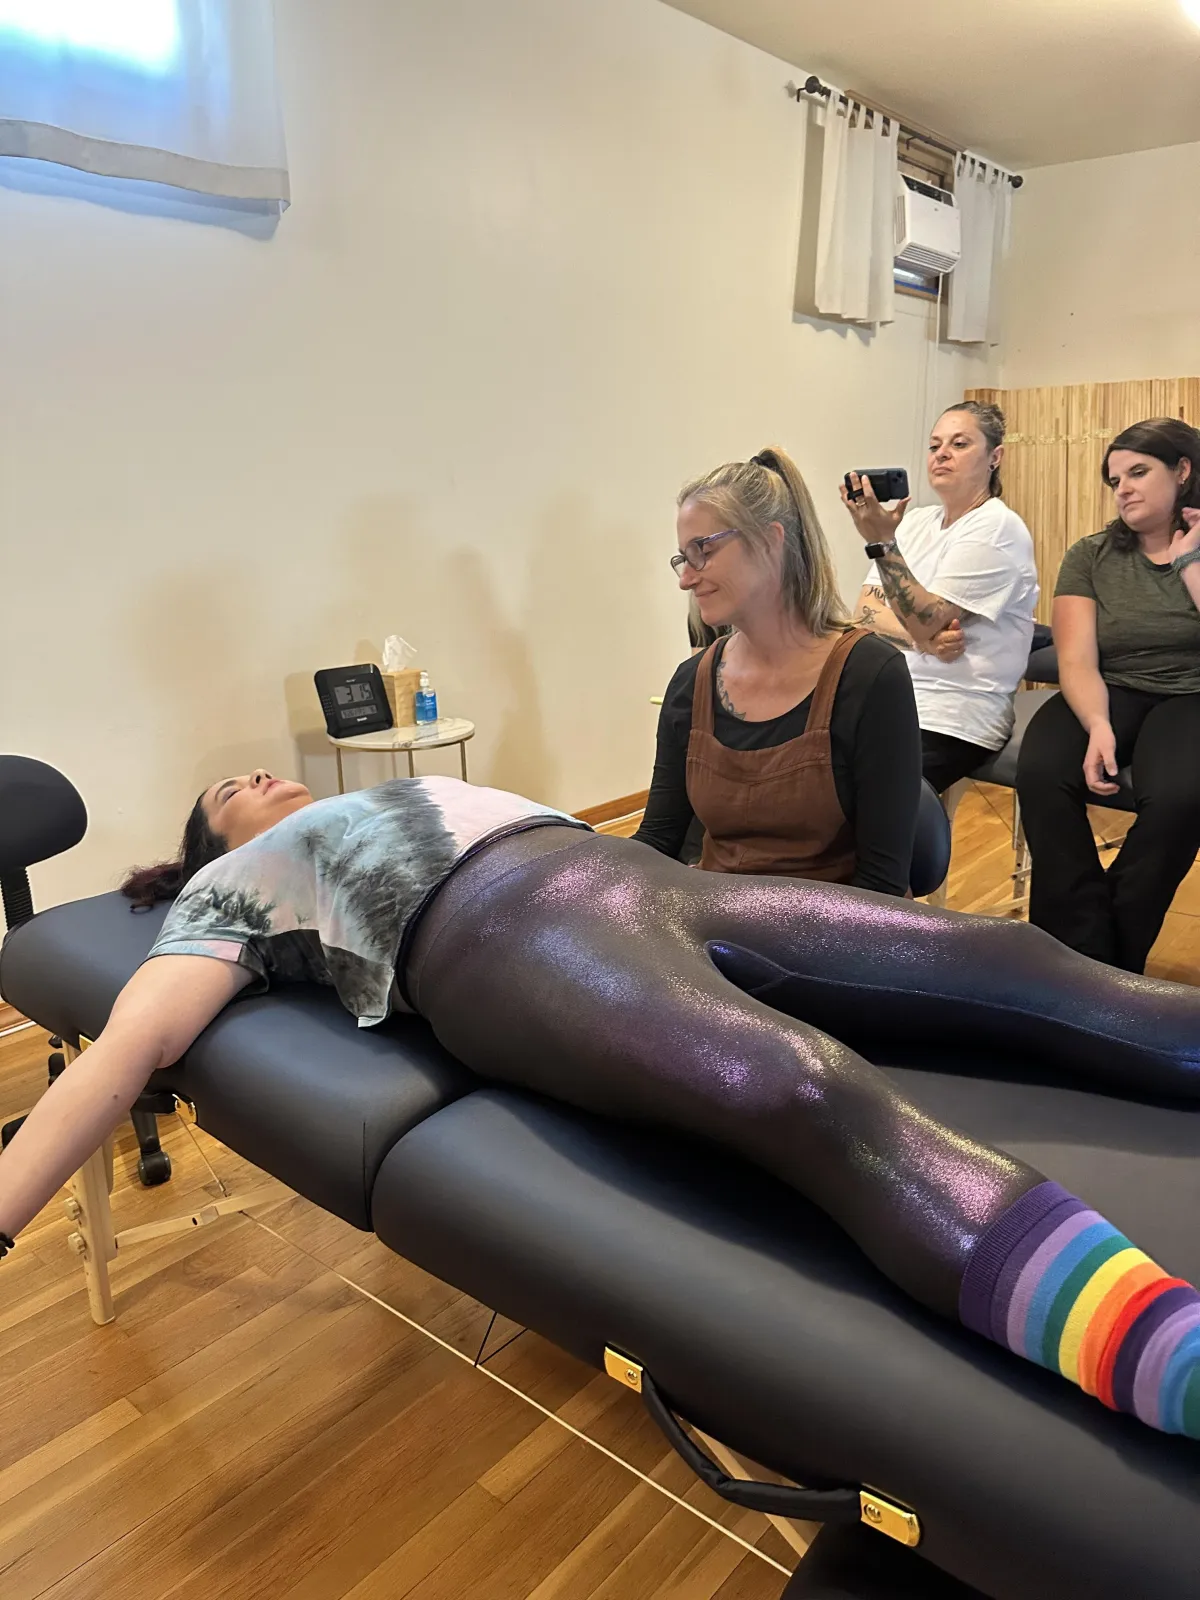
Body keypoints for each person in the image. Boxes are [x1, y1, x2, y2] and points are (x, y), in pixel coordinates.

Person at [2, 766, 1200, 1441]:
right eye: (227, 786)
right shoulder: (229, 888)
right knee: (798, 1083)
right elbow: (121, 1055)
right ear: (205, 840)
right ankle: (1172, 1357)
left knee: (1009, 958)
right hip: (507, 943)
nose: (256, 775)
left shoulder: (403, 784)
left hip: (656, 880)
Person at [634, 447, 922, 897]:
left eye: (702, 551)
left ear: (770, 541)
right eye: (682, 558)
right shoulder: (692, 683)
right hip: (718, 924)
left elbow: (881, 886)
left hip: (836, 930)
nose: (686, 579)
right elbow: (657, 840)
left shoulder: (870, 676)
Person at [1016, 418, 1200, 973]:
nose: (1123, 489)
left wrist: (1189, 561)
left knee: (1180, 800)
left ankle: (1111, 951)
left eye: (1138, 472)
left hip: (1191, 695)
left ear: (1183, 471)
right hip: (1110, 684)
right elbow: (1075, 659)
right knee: (1042, 770)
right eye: (1115, 480)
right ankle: (1082, 947)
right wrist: (1098, 724)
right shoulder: (1091, 554)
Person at [843, 402, 1039, 793]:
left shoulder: (997, 528)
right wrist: (925, 643)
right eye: (935, 446)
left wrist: (881, 543)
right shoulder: (915, 522)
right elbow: (864, 612)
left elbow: (927, 618)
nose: (942, 454)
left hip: (953, 715)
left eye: (959, 444)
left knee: (859, 796)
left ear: (995, 457)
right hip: (886, 697)